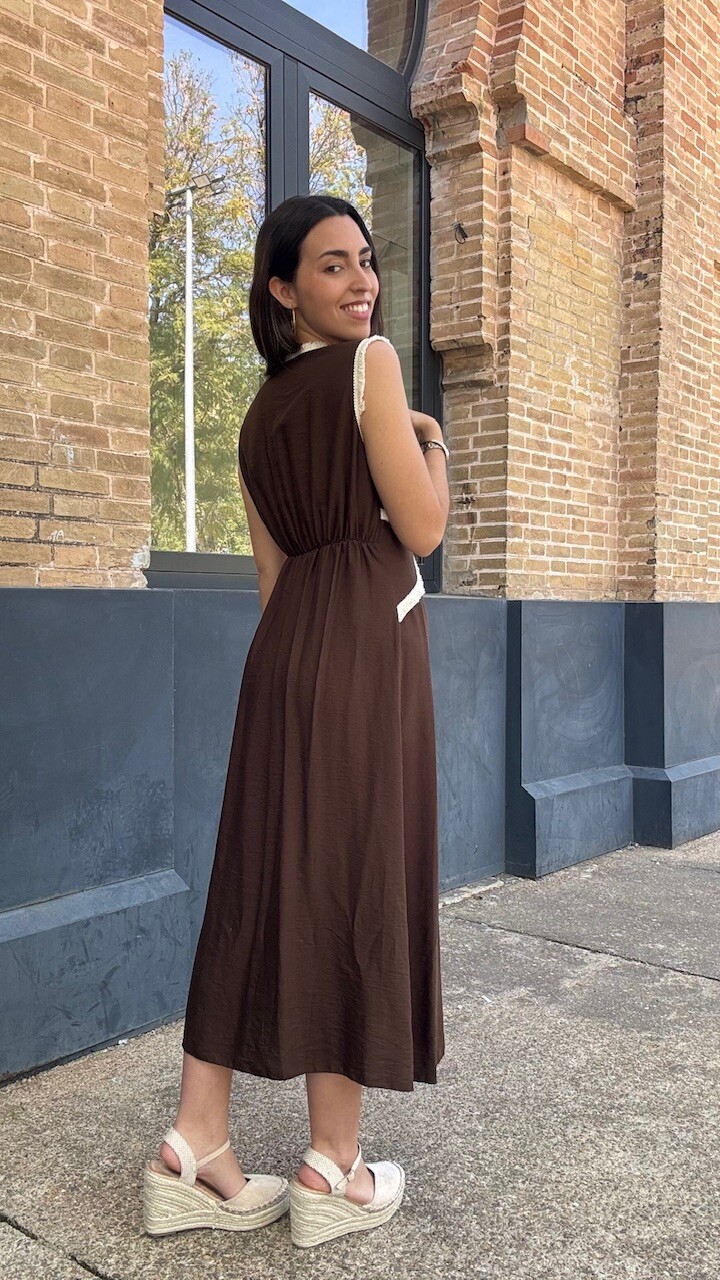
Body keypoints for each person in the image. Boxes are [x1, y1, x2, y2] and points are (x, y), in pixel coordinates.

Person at [142, 194, 450, 1249]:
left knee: (260, 877)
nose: (362, 281)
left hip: (285, 657)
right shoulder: (373, 367)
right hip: (365, 645)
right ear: (283, 289)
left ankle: (195, 1139)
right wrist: (433, 444)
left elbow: (273, 581)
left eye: (365, 260)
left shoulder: (257, 416)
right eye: (332, 265)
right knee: (353, 877)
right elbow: (421, 527)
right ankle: (334, 1164)